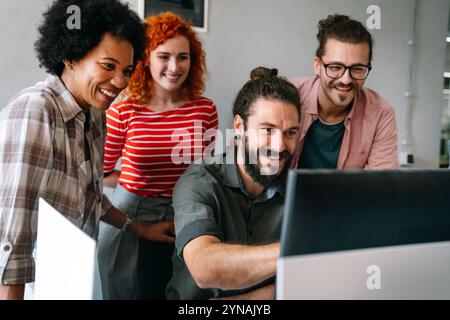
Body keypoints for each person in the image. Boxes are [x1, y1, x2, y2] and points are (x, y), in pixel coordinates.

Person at [0, 0, 165, 300]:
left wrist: (139, 229)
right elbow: (13, 236)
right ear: (70, 57)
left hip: (73, 278)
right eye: (108, 66)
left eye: (126, 70)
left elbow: (89, 195)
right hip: (33, 287)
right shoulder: (37, 110)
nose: (119, 82)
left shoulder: (93, 113)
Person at [97, 12, 218, 300]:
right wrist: (133, 183)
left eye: (183, 57)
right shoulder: (123, 110)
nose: (174, 67)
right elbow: (99, 173)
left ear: (194, 60)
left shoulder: (205, 110)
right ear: (146, 59)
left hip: (186, 215)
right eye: (164, 56)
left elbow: (209, 171)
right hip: (131, 218)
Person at [166, 67, 301, 300]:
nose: (280, 146)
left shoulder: (299, 192)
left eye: (290, 133)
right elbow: (205, 268)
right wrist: (298, 250)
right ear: (239, 127)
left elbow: (309, 278)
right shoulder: (199, 181)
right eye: (268, 130)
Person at [291, 14, 399, 169]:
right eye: (335, 67)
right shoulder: (287, 96)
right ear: (317, 65)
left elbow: (381, 185)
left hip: (350, 194)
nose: (346, 79)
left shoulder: (380, 113)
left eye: (357, 69)